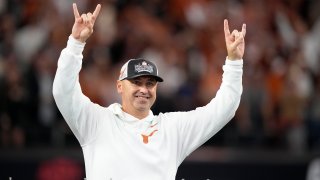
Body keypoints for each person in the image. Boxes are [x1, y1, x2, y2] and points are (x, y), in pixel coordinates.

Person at [52, 3, 246, 180]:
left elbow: (223, 109)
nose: (144, 89)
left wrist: (234, 62)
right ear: (119, 86)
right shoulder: (96, 122)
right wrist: (75, 44)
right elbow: (63, 92)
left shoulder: (172, 130)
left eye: (150, 83)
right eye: (136, 82)